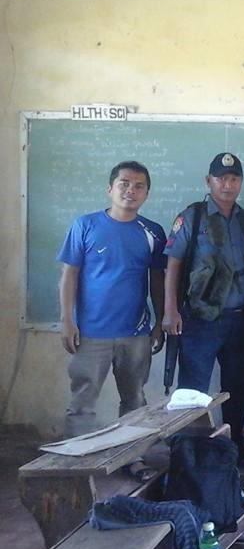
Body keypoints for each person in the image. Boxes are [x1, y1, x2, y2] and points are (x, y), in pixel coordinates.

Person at [57, 161, 166, 482]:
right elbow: (69, 276)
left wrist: (159, 322)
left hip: (135, 334)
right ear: (110, 188)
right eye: (124, 184)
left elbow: (158, 280)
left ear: (147, 193)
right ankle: (78, 469)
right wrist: (67, 320)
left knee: (134, 401)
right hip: (90, 334)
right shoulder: (85, 225)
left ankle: (134, 459)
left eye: (139, 186)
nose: (130, 190)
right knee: (82, 403)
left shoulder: (152, 232)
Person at [163, 152, 244, 464]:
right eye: (221, 178)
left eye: (233, 179)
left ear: (241, 183)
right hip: (200, 320)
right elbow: (173, 265)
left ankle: (233, 447)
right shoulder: (192, 217)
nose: (227, 184)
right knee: (193, 389)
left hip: (239, 319)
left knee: (237, 388)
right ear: (209, 181)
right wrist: (170, 310)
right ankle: (187, 453)